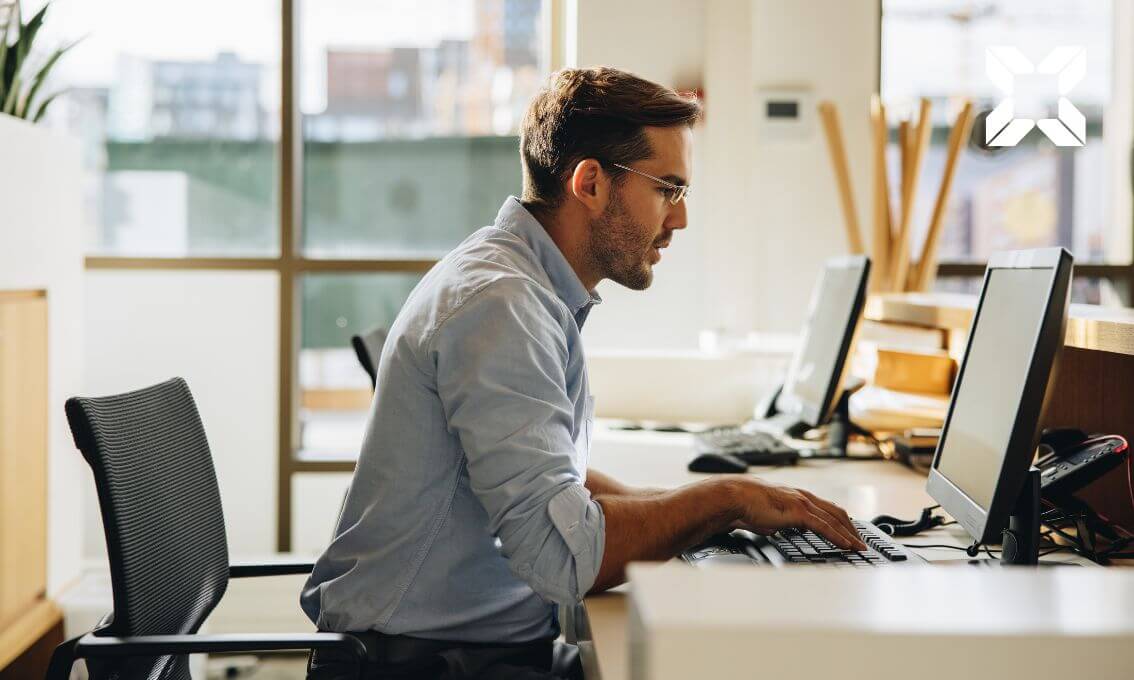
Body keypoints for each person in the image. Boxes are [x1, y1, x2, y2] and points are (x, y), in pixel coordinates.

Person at [302, 67, 866, 680]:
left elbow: (548, 476)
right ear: (591, 183)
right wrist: (724, 501)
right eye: (668, 189)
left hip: (458, 648)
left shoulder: (520, 284)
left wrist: (721, 509)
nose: (678, 220)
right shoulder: (502, 306)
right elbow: (563, 561)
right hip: (421, 665)